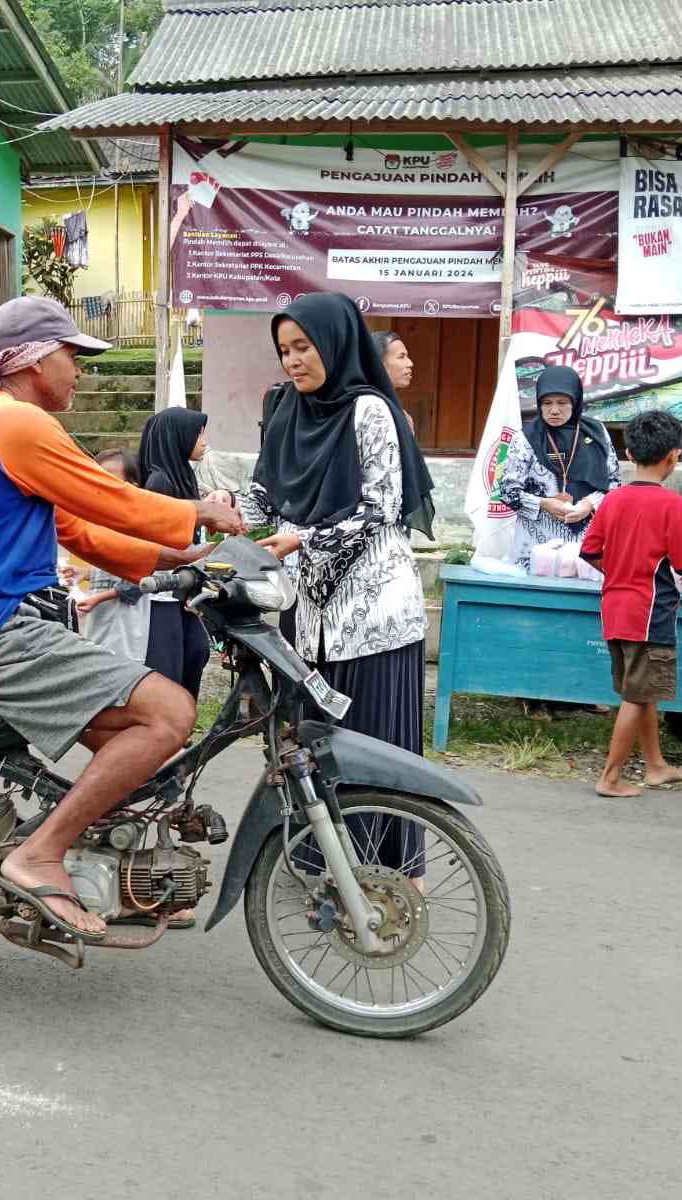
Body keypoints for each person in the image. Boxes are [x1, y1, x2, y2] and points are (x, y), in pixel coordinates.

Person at [0, 296, 243, 939]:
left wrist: (187, 554)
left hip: (4, 621)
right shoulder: (16, 421)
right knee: (173, 712)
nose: (80, 371)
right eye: (73, 357)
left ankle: (113, 865)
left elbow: (83, 530)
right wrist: (196, 514)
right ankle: (39, 855)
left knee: (138, 747)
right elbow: (111, 499)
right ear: (37, 359)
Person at [241, 293, 438, 885]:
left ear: (335, 342)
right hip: (306, 617)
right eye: (283, 351)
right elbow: (262, 495)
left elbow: (382, 509)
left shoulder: (369, 411)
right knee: (311, 747)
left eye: (303, 347)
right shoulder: (285, 411)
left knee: (375, 749)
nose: (293, 362)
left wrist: (301, 540)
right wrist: (225, 515)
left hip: (373, 612)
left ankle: (394, 875)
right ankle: (321, 866)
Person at [578, 410, 682, 797]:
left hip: (615, 607)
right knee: (637, 694)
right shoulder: (673, 505)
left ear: (628, 454)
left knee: (640, 691)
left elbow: (589, 550)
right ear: (674, 456)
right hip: (652, 613)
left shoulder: (612, 500)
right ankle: (610, 777)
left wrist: (619, 569)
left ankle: (655, 766)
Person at [499, 364, 620, 571]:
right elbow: (507, 491)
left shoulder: (597, 433)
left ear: (575, 401)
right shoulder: (526, 437)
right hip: (535, 541)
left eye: (562, 402)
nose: (554, 410)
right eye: (547, 403)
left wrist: (588, 505)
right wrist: (544, 503)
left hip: (587, 542)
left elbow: (614, 485)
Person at [138, 408, 217, 698]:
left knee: (196, 653)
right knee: (167, 671)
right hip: (163, 594)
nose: (205, 440)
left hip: (183, 590)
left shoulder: (183, 476)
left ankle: (179, 732)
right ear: (178, 437)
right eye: (199, 433)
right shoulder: (160, 482)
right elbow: (158, 544)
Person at [74, 449, 152, 663]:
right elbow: (112, 570)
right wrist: (86, 573)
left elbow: (139, 582)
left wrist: (98, 598)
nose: (99, 483)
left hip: (123, 627)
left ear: (132, 486)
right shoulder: (104, 522)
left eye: (108, 477)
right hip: (99, 622)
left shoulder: (139, 527)